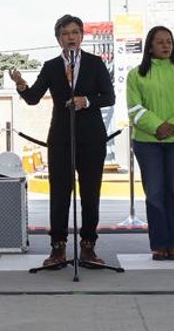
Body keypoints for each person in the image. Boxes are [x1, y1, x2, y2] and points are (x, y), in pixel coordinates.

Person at [10, 14, 115, 268]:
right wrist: (22, 84)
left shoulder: (95, 63)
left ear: (82, 36)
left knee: (90, 193)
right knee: (59, 195)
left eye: (76, 32)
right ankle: (57, 249)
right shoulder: (51, 66)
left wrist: (85, 101)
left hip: (91, 137)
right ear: (59, 38)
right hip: (61, 138)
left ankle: (88, 247)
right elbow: (34, 97)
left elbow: (109, 96)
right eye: (66, 33)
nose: (71, 37)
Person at [127, 25, 174, 261]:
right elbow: (134, 108)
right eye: (160, 42)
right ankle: (159, 244)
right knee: (155, 194)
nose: (166, 45)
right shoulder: (136, 75)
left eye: (169, 41)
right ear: (149, 46)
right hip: (148, 143)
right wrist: (157, 126)